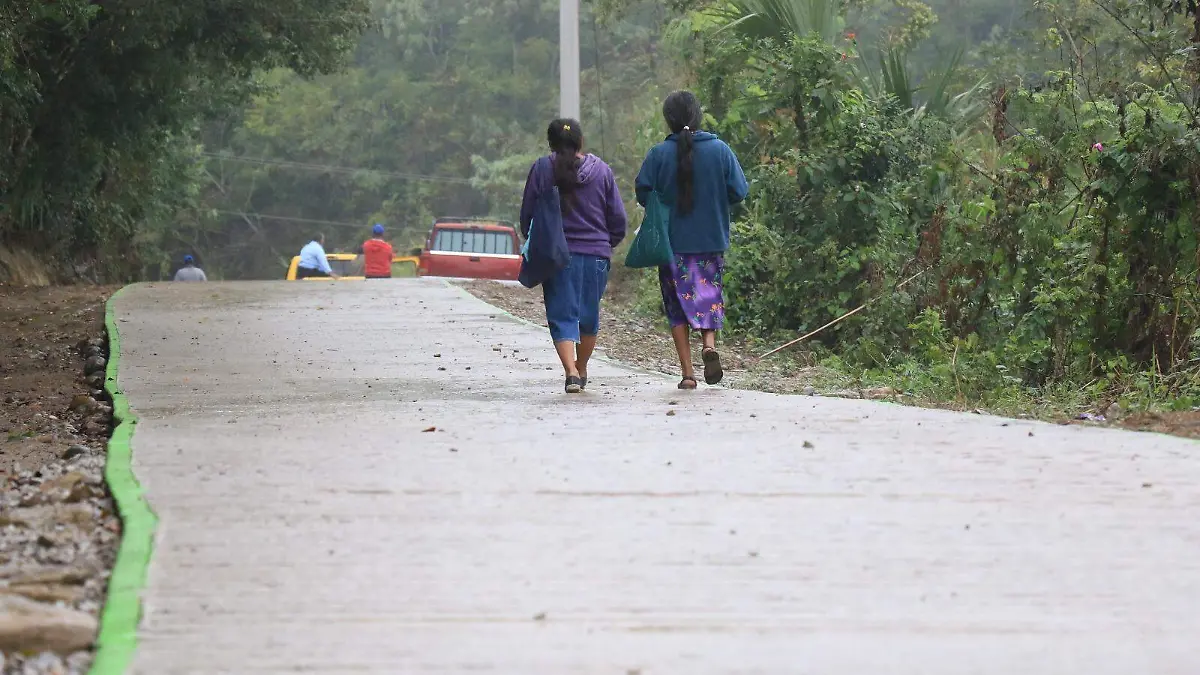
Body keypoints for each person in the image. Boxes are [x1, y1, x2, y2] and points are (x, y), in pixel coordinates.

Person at [635, 90, 749, 390]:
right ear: (698, 116)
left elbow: (643, 192)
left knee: (676, 307)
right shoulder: (720, 150)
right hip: (710, 240)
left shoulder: (658, 154)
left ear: (668, 120)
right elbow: (739, 191)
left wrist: (662, 201)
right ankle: (709, 344)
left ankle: (687, 373)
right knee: (707, 296)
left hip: (671, 245)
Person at [519, 118, 627, 394]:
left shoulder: (542, 168)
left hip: (557, 255)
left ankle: (570, 372)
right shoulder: (602, 171)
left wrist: (535, 242)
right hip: (596, 256)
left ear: (551, 143)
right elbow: (617, 219)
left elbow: (527, 213)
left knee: (561, 314)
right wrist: (607, 243)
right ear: (580, 142)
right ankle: (582, 366)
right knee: (588, 316)